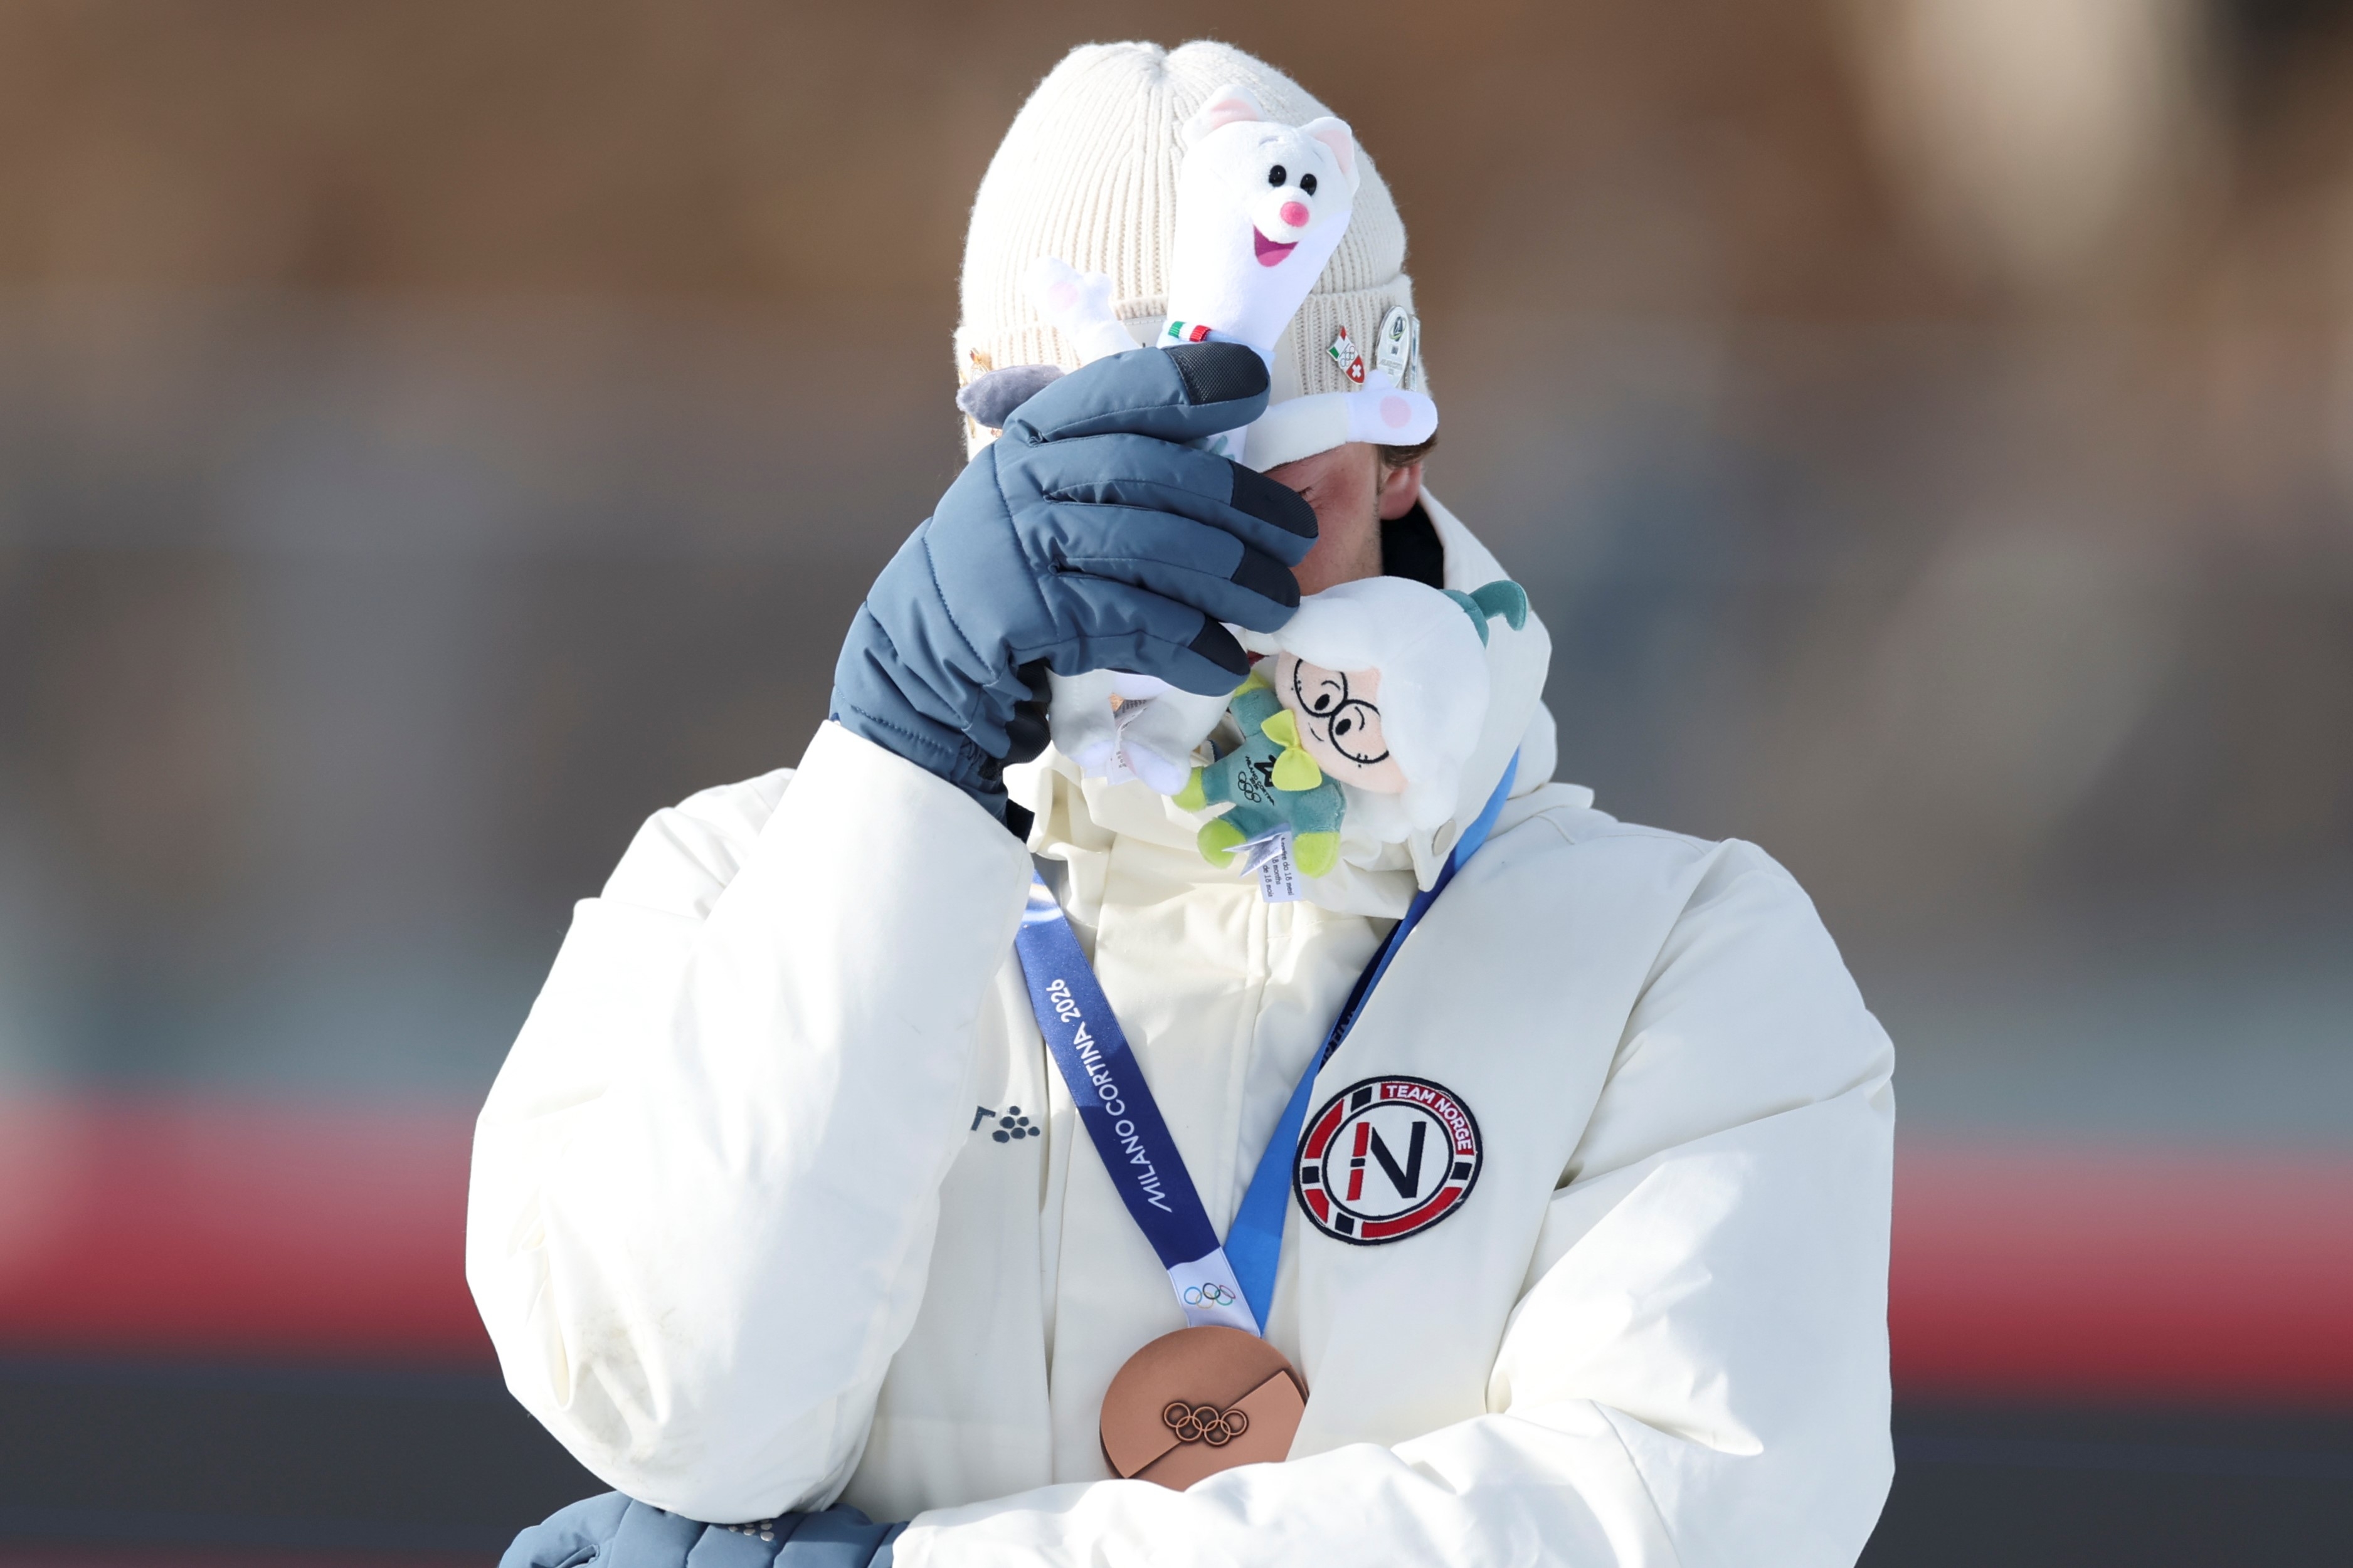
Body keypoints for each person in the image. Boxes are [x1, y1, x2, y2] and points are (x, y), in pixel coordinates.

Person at [473, 40, 1896, 1568]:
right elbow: (684, 1413)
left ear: (1395, 451)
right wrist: (902, 776)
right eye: (1109, 489)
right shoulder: (735, 888)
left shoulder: (1679, 959)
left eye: (1264, 483)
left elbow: (1676, 1512)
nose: (1195, 570)